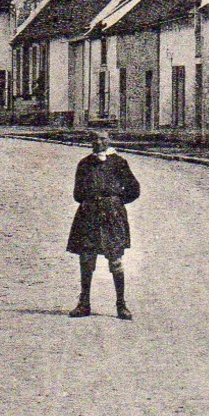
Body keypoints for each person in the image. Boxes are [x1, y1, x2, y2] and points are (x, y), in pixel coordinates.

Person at [66, 131, 141, 320]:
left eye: (103, 139)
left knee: (115, 259)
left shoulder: (119, 163)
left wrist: (115, 201)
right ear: (90, 142)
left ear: (109, 141)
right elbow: (77, 194)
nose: (98, 142)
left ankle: (121, 305)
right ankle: (84, 304)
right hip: (89, 215)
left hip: (112, 216)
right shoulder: (84, 164)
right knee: (87, 258)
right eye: (95, 139)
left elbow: (134, 189)